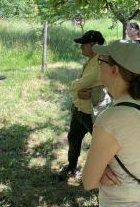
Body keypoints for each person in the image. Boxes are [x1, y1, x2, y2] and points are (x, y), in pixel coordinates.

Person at [82, 40, 140, 206]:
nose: (99, 65)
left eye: (101, 61)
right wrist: (102, 167)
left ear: (114, 70)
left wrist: (99, 170)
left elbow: (89, 181)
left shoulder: (111, 118)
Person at [58, 30, 106, 180]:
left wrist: (74, 86)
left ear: (93, 45)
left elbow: (81, 84)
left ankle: (105, 174)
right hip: (79, 108)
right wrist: (77, 90)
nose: (81, 48)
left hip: (91, 112)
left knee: (100, 144)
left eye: (83, 45)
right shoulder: (92, 59)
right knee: (73, 137)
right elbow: (81, 86)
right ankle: (72, 167)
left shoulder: (100, 61)